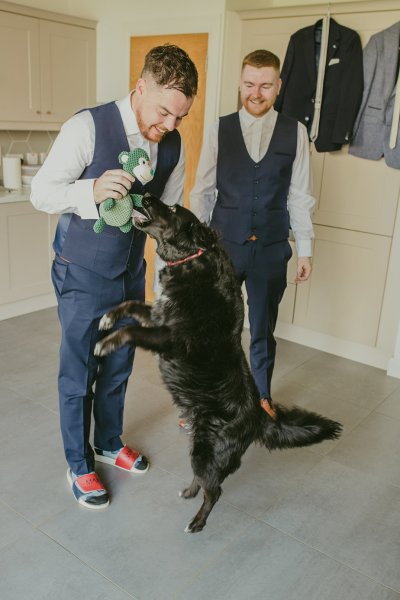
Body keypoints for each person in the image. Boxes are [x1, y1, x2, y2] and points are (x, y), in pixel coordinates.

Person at [30, 44, 198, 509]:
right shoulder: (86, 126)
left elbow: (167, 216)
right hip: (81, 269)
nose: (169, 126)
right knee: (78, 371)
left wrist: (170, 281)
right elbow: (40, 192)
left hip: (130, 271)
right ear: (140, 88)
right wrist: (91, 190)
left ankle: (108, 441)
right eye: (164, 112)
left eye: (179, 118)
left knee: (120, 363)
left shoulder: (174, 145)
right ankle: (79, 464)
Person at [190, 49, 315, 418]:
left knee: (262, 329)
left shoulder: (296, 131)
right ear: (240, 84)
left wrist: (304, 249)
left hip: (272, 250)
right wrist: (194, 248)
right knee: (215, 329)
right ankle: (206, 400)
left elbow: (300, 196)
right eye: (248, 84)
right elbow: (203, 191)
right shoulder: (218, 128)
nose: (255, 93)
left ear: (278, 86)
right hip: (223, 246)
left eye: (264, 85)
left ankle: (261, 395)